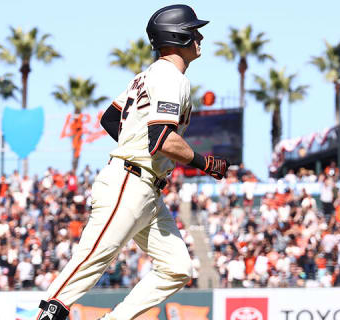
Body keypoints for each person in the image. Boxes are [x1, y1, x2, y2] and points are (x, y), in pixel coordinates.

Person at [36, 5, 227, 320]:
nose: (200, 37)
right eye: (194, 30)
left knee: (177, 268)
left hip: (145, 186)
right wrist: (205, 163)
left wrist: (135, 143)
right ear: (177, 35)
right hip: (130, 180)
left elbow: (110, 119)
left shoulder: (147, 75)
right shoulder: (170, 76)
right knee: (92, 259)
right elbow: (161, 138)